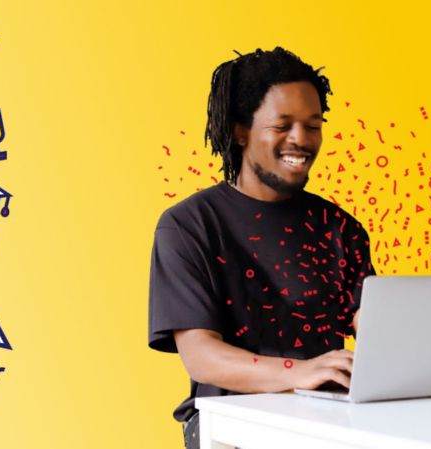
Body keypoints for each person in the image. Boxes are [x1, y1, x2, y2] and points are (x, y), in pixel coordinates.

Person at [148, 47, 375, 448]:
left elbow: (374, 331)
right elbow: (201, 355)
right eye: (282, 125)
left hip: (329, 422)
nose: (301, 140)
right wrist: (297, 372)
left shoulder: (340, 228)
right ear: (241, 131)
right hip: (231, 428)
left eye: (313, 124)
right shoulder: (189, 226)